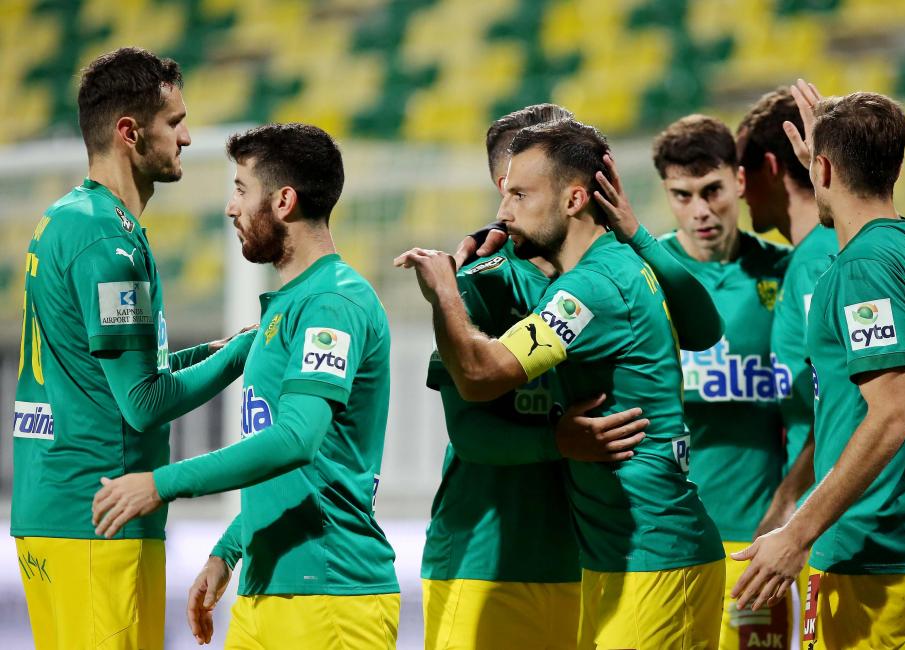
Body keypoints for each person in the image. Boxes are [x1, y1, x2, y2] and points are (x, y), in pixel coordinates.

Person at [398, 119, 726, 649]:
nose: (502, 212)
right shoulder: (608, 264)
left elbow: (480, 376)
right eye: (505, 193)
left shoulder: (592, 285)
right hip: (607, 558)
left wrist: (445, 294)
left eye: (520, 195)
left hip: (651, 556)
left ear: (574, 198)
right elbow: (469, 425)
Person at [92, 123, 400, 649]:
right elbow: (299, 472)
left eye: (241, 189)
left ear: (283, 201)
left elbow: (296, 440)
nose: (230, 207)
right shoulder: (293, 304)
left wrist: (161, 483)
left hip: (331, 597)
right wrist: (228, 551)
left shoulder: (333, 302)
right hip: (270, 589)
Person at [12, 47, 254, 650]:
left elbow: (120, 372)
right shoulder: (108, 242)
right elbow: (143, 403)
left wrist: (214, 350)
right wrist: (245, 352)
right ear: (129, 132)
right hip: (101, 519)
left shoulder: (68, 218)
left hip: (59, 508)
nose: (187, 137)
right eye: (174, 122)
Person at [732, 81, 905, 649]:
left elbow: (890, 417)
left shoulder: (861, 270)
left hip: (870, 546)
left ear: (825, 168)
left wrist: (798, 533)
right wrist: (826, 168)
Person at [421, 103, 650, 650]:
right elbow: (469, 432)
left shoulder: (611, 277)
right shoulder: (478, 283)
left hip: (589, 560)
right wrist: (557, 441)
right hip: (486, 564)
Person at [645, 114, 792, 650]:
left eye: (712, 190)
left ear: (740, 181)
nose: (700, 210)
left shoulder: (787, 271)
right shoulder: (645, 275)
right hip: (669, 542)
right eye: (682, 196)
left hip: (760, 541)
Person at [737, 88, 839, 534]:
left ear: (772, 168)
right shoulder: (810, 255)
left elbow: (847, 405)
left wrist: (787, 500)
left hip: (834, 520)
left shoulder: (819, 261)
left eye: (743, 170)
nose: (739, 189)